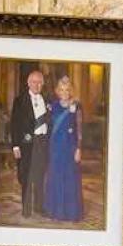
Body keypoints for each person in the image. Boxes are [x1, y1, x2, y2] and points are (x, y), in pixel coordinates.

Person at [9, 69, 51, 220]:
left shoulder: (47, 99)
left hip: (42, 143)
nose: (36, 85)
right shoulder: (20, 100)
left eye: (39, 82)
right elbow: (14, 124)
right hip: (26, 144)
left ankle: (39, 207)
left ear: (43, 84)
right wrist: (15, 146)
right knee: (26, 176)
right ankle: (26, 209)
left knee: (40, 176)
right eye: (34, 82)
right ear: (28, 83)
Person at [43, 75, 83, 223]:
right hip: (55, 148)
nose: (64, 92)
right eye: (62, 89)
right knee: (56, 177)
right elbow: (46, 126)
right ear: (57, 91)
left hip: (70, 148)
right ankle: (56, 211)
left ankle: (70, 212)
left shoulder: (76, 106)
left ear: (70, 91)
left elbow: (79, 130)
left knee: (70, 178)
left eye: (67, 89)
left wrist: (78, 148)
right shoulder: (52, 106)